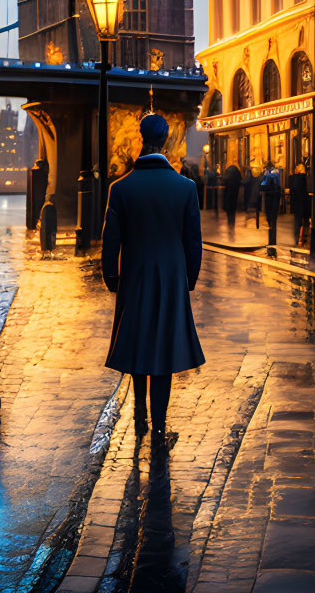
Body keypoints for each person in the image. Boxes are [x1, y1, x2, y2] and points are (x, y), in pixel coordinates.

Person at [101, 114, 204, 447]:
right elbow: (193, 241)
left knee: (138, 345)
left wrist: (112, 278)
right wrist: (189, 278)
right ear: (167, 140)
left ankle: (139, 415)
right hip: (172, 279)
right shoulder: (185, 188)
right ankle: (159, 424)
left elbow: (110, 240)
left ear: (140, 138)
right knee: (165, 350)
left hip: (134, 276)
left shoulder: (120, 188)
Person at [257, 162, 282, 252]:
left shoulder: (271, 174)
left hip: (271, 198)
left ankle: (272, 241)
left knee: (271, 218)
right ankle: (272, 240)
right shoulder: (274, 173)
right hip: (272, 197)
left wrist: (265, 175)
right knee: (271, 218)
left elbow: (264, 184)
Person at [289, 162, 309, 246]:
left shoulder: (296, 178)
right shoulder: (301, 178)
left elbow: (293, 189)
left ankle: (299, 238)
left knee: (299, 221)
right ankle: (302, 238)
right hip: (302, 202)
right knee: (303, 220)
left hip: (298, 203)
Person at [222, 162, 242, 227]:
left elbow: (224, 181)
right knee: (233, 203)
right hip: (234, 191)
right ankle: (232, 216)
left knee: (229, 202)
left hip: (229, 191)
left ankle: (229, 216)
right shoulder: (236, 173)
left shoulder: (228, 174)